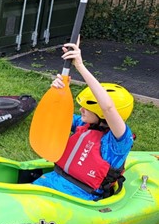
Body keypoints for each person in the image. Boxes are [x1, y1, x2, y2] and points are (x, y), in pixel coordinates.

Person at [32, 40, 135, 201]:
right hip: (53, 180)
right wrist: (59, 91)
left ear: (102, 114)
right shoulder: (84, 124)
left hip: (80, 196)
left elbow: (108, 108)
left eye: (87, 108)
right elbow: (54, 116)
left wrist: (80, 66)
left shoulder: (118, 142)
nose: (81, 110)